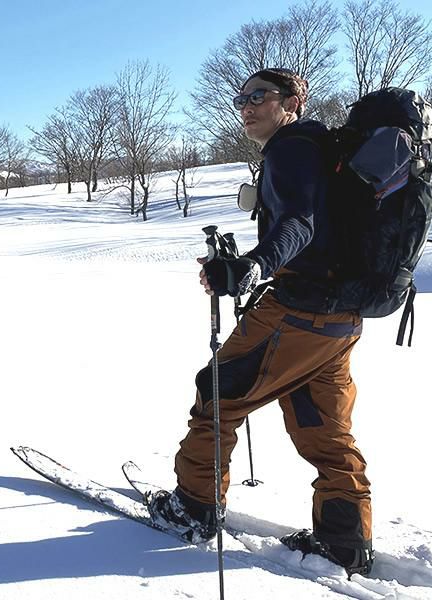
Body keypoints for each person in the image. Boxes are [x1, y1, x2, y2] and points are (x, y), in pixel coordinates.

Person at [147, 68, 374, 577]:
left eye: (258, 96)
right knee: (325, 430)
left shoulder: (292, 148)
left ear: (292, 102)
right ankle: (344, 540)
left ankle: (194, 508)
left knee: (217, 396)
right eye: (241, 99)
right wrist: (254, 261)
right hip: (339, 318)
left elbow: (300, 222)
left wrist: (254, 265)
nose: (246, 107)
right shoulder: (323, 151)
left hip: (298, 313)